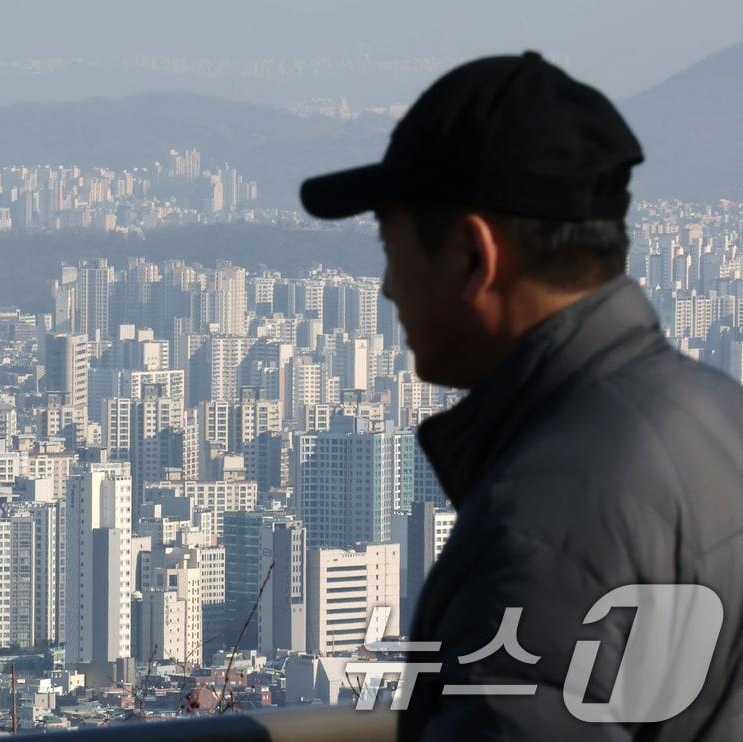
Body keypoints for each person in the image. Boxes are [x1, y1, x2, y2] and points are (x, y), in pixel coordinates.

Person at [301, 51, 743, 740]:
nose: (386, 288)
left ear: (475, 258)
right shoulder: (720, 413)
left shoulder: (542, 524)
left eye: (390, 248)